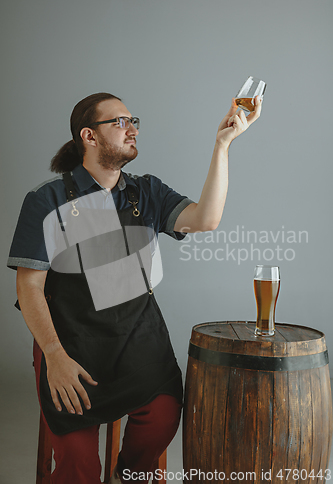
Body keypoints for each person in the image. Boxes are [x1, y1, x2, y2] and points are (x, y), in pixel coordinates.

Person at [7, 92, 261, 484]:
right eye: (120, 122)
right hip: (71, 348)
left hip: (140, 343)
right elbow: (30, 287)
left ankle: (129, 475)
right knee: (79, 469)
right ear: (89, 137)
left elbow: (206, 219)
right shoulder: (46, 201)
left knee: (162, 419)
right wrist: (54, 356)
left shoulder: (147, 191)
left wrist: (222, 144)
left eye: (133, 121)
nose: (132, 129)